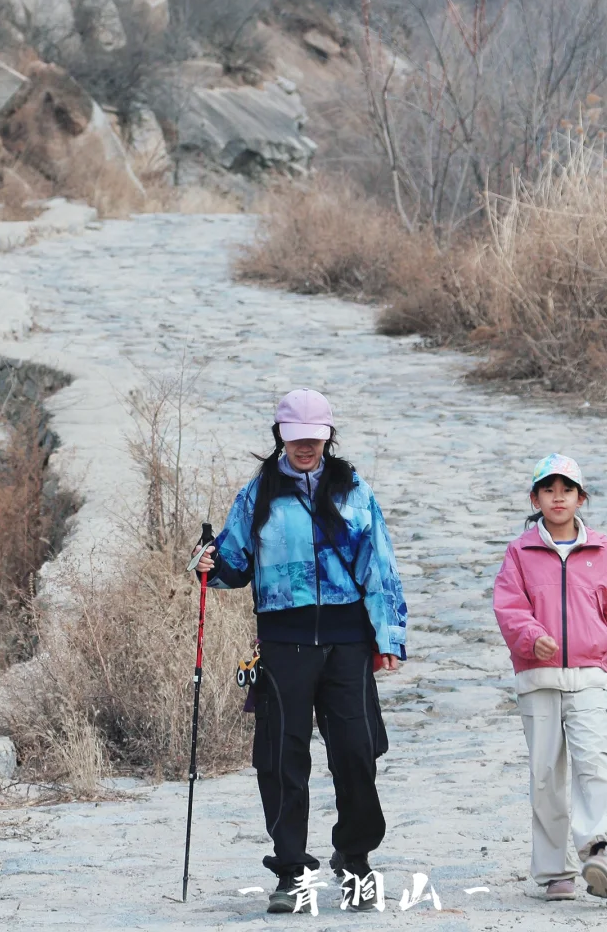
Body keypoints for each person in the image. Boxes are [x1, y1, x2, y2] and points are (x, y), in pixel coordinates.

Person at [195, 388, 406, 915]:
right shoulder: (257, 494)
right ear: (280, 438)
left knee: (356, 753)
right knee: (281, 758)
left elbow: (379, 567)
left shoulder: (353, 491)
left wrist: (388, 639)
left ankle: (355, 859)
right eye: (296, 438)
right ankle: (291, 871)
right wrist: (209, 565)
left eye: (315, 437)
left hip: (347, 641)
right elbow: (234, 563)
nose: (306, 447)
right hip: (282, 643)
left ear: (328, 436)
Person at [492, 452, 607, 903]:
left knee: (593, 762)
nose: (558, 497)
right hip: (538, 679)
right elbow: (508, 607)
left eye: (567, 490)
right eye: (549, 490)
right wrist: (532, 638)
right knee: (546, 774)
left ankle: (601, 849)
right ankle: (553, 873)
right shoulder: (519, 552)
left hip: (589, 676)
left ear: (581, 498)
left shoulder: (601, 551)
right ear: (535, 499)